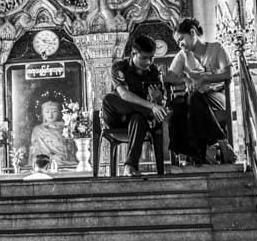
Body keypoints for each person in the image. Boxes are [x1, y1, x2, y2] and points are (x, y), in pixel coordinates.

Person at [163, 17, 236, 165]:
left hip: (217, 96)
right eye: (177, 42)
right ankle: (219, 142)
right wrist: (184, 79)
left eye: (182, 39)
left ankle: (198, 154)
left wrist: (204, 79)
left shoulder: (216, 48)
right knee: (178, 105)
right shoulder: (183, 55)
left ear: (192, 32)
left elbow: (227, 74)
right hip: (196, 99)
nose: (180, 44)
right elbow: (168, 78)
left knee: (193, 99)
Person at [100, 35, 168, 177]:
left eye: (151, 58)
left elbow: (160, 105)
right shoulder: (119, 68)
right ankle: (145, 113)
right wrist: (151, 107)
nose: (148, 62)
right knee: (108, 99)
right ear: (133, 54)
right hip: (117, 116)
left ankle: (130, 166)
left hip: (138, 121)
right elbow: (124, 95)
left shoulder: (154, 73)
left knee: (138, 117)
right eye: (144, 58)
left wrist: (157, 100)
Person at [29, 99, 73, 170]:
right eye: (47, 112)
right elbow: (35, 150)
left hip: (62, 161)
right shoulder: (38, 130)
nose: (50, 115)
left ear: (59, 113)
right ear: (43, 113)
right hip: (43, 162)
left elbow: (70, 149)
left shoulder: (65, 128)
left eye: (54, 111)